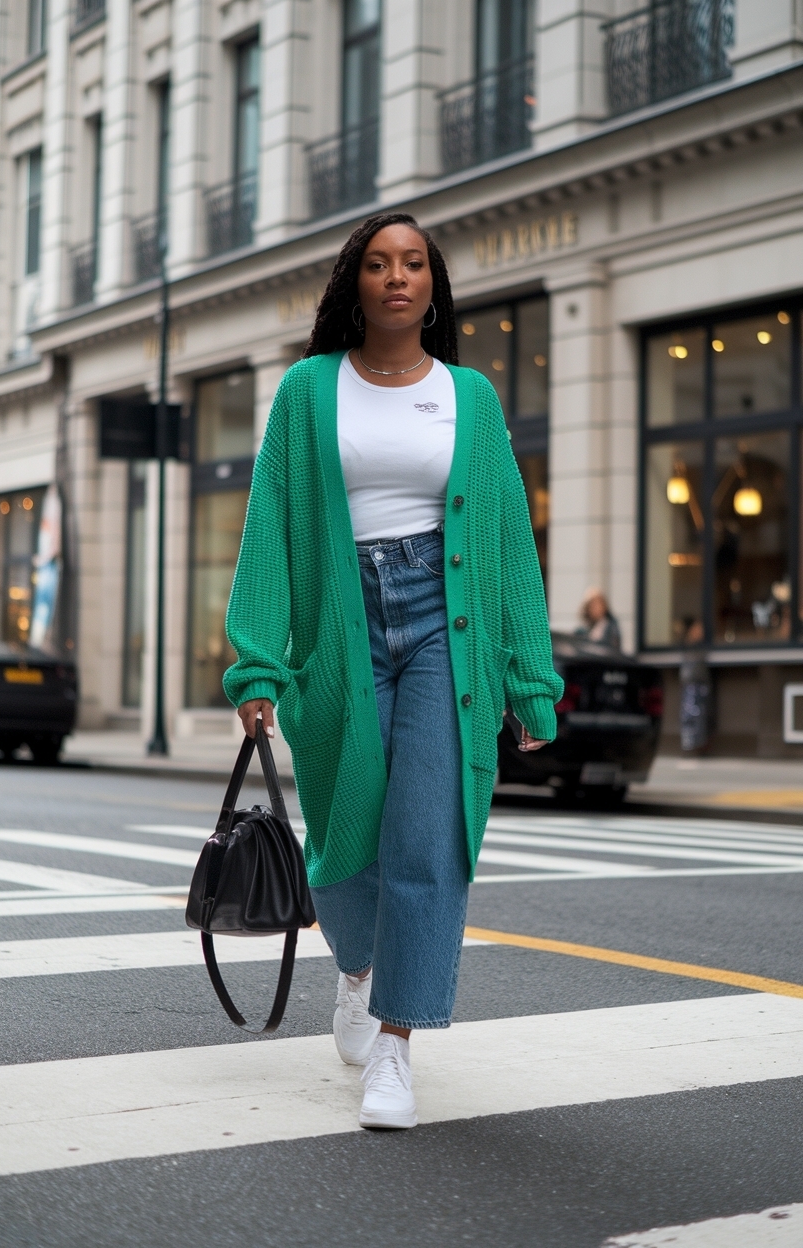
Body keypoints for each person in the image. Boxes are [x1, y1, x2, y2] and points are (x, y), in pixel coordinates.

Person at [223, 211, 563, 1130]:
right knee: (343, 840)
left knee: (425, 836)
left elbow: (507, 542)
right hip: (342, 632)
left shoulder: (469, 397)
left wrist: (531, 679)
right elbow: (270, 525)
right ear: (356, 284)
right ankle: (357, 965)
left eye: (414, 263)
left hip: (445, 626)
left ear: (433, 287)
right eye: (379, 263)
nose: (398, 277)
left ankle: (396, 1047)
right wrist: (258, 664)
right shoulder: (308, 390)